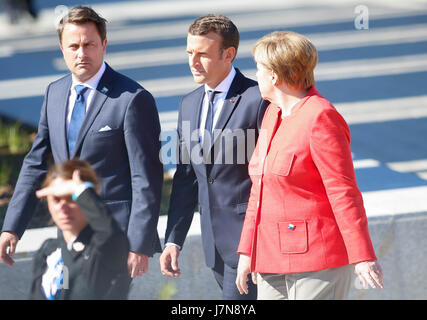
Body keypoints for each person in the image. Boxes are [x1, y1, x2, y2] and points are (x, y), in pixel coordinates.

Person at [0, 6, 163, 279]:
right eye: (73, 46)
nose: (81, 53)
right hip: (69, 235)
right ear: (62, 48)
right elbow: (36, 164)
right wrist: (11, 227)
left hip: (115, 237)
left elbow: (146, 178)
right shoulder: (55, 92)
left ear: (104, 45)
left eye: (89, 45)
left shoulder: (132, 99)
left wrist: (139, 245)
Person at [236, 31, 384, 300]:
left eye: (258, 69)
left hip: (318, 259)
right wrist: (248, 251)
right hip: (270, 258)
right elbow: (259, 190)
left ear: (274, 76)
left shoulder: (321, 116)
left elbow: (343, 191)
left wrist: (362, 255)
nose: (255, 76)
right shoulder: (272, 113)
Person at [159, 14, 268, 300]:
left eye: (203, 54)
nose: (193, 61)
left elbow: (267, 177)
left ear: (228, 54)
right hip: (214, 248)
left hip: (250, 245)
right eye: (189, 53)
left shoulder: (258, 98)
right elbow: (186, 178)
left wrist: (252, 244)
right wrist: (174, 239)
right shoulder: (189, 103)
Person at [29, 159, 130, 300]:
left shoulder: (102, 250)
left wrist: (81, 190)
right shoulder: (48, 251)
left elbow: (110, 234)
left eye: (71, 198)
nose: (63, 208)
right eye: (56, 199)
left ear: (89, 197)